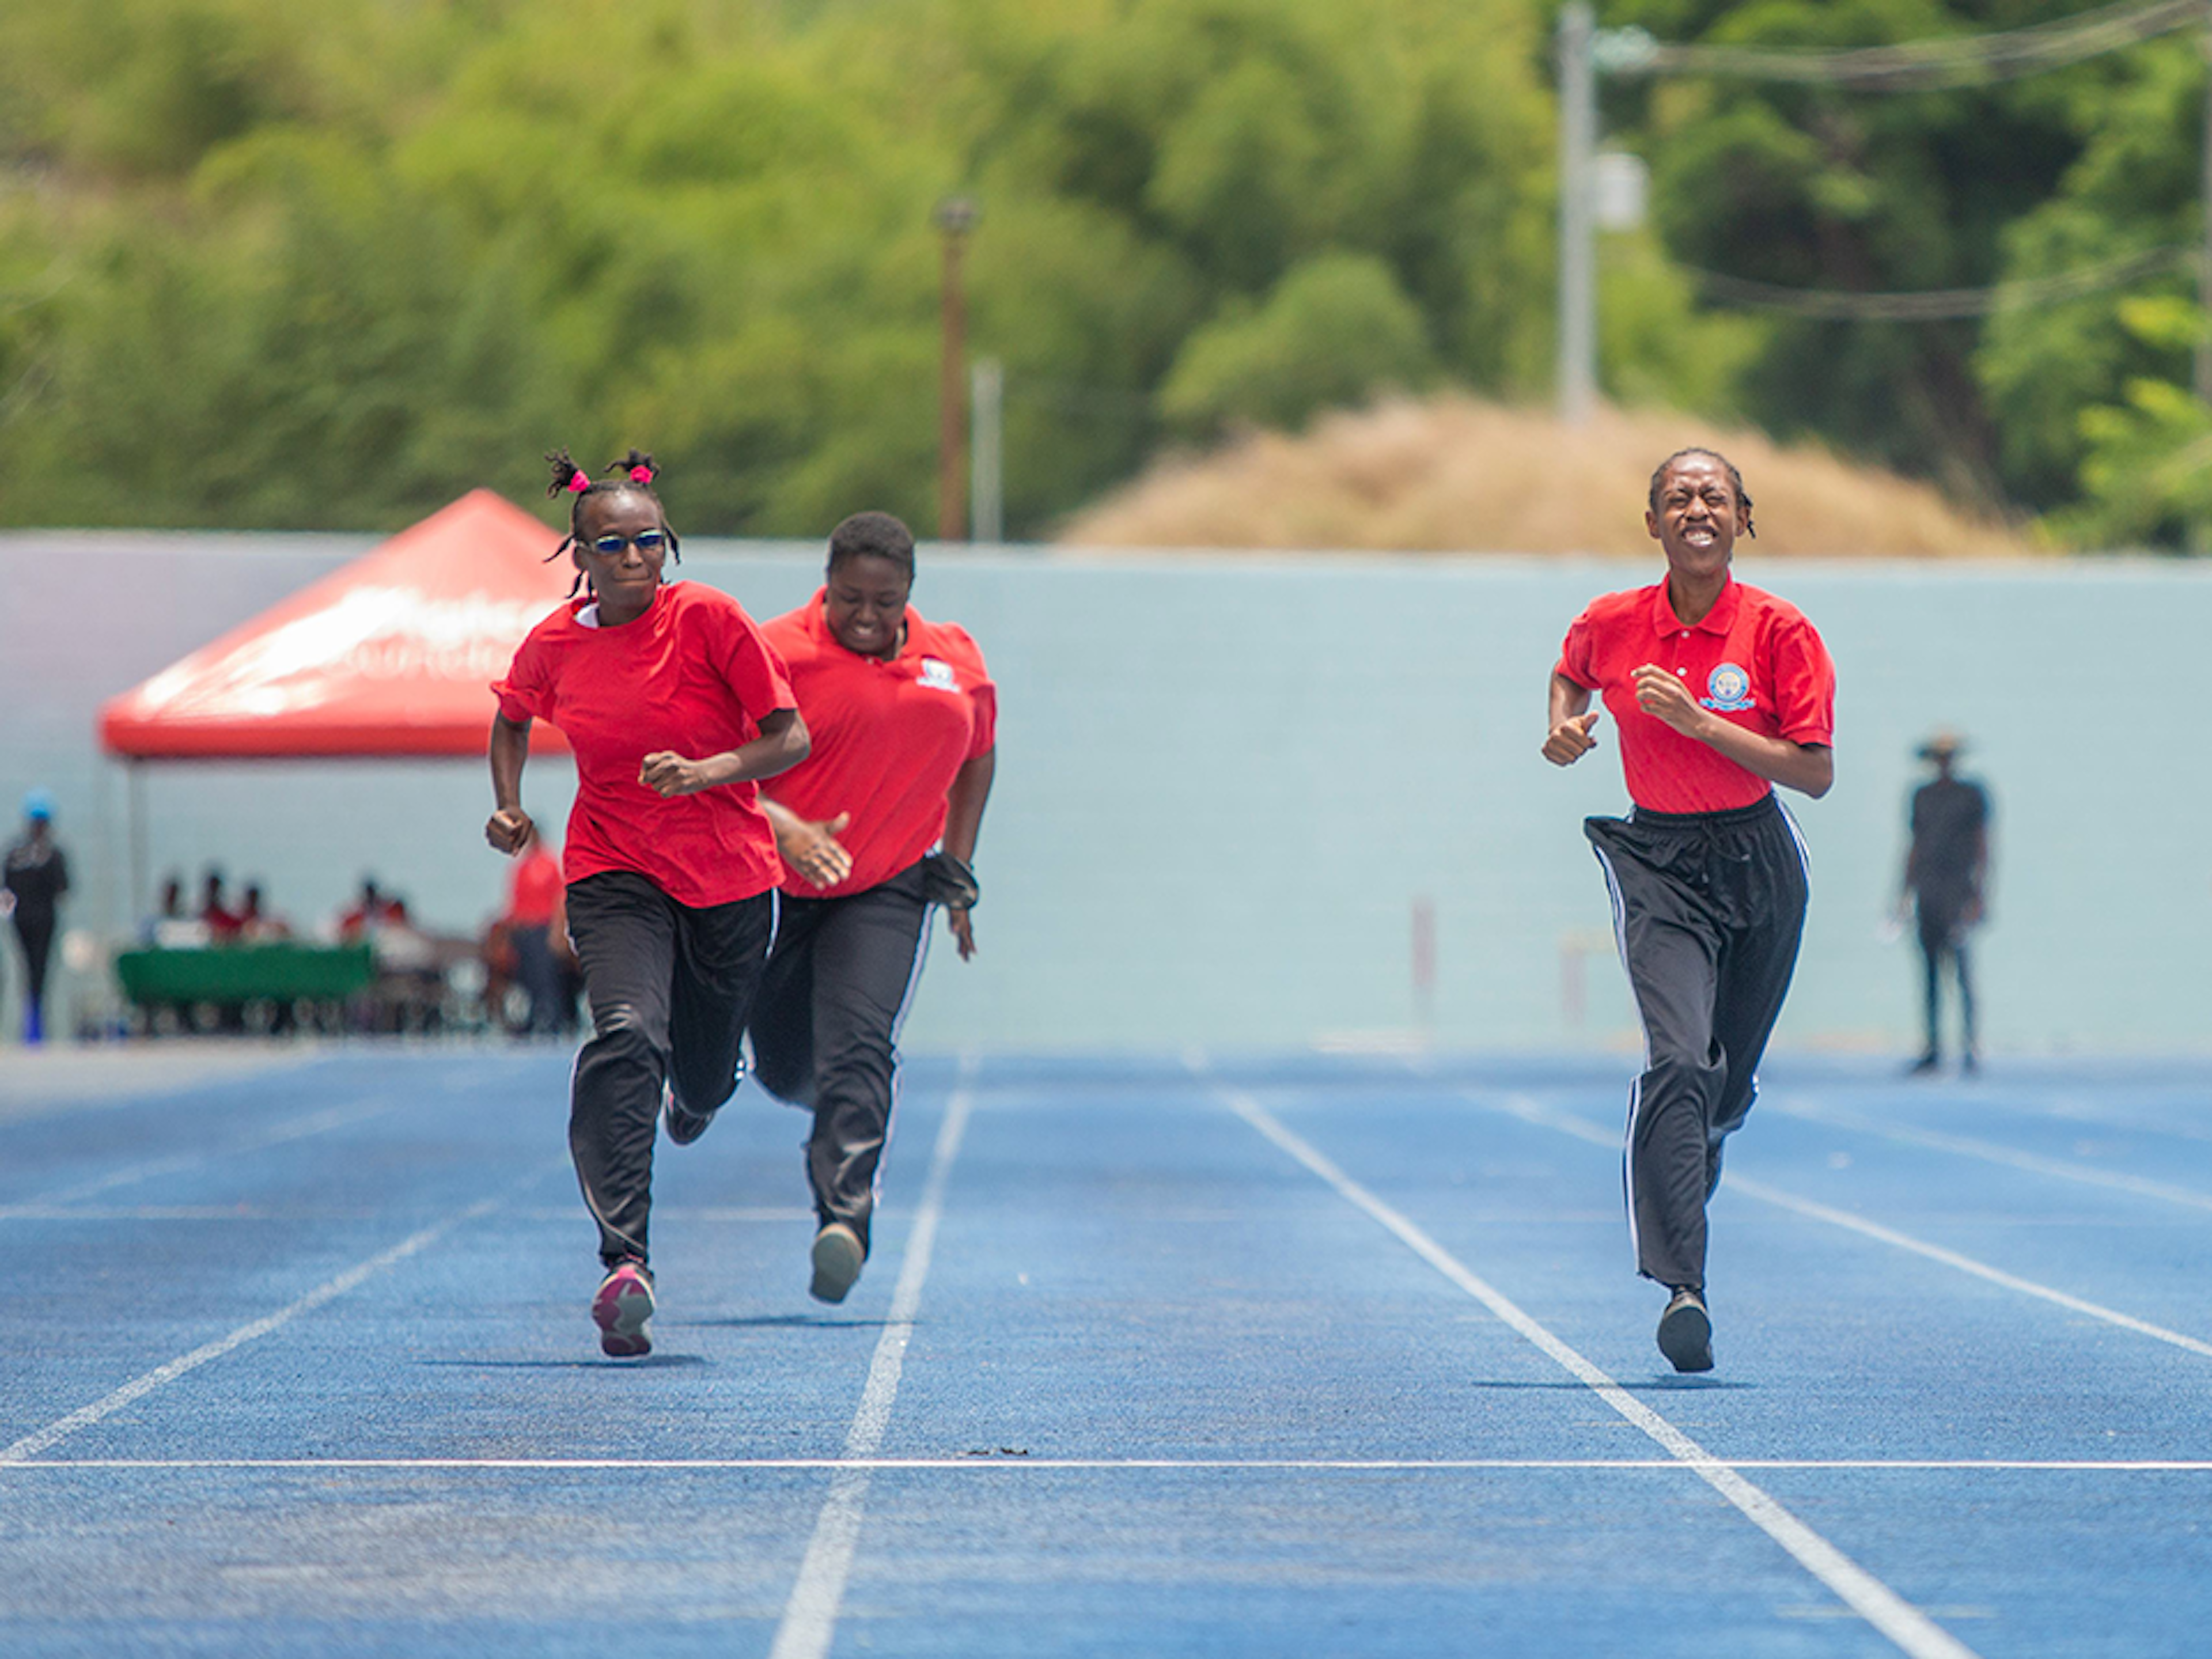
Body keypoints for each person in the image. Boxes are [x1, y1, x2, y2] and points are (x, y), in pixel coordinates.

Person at [487, 448, 808, 1358]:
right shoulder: (554, 644)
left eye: (649, 543)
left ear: (668, 547)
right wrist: (509, 805)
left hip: (731, 878)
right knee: (627, 1034)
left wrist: (710, 770)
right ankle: (624, 1263)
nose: (634, 559)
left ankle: (706, 1088)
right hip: (614, 868)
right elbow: (512, 716)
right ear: (578, 557)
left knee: (698, 1078)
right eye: (613, 545)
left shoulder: (709, 619)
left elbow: (789, 736)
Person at [1542, 449, 1835, 1374]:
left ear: (1743, 517)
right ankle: (1683, 1289)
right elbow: (1572, 673)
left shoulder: (1781, 631)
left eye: (1714, 496)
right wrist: (1563, 725)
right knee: (1677, 1059)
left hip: (1758, 865)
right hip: (1661, 863)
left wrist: (1702, 723)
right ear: (1655, 523)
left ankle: (1706, 1132)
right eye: (1678, 498)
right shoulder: (1614, 621)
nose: (1696, 508)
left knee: (1724, 1086)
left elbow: (1815, 775)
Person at [751, 511, 997, 1304]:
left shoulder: (953, 660)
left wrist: (956, 866)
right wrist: (783, 828)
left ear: (909, 596)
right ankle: (712, 1077)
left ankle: (845, 1219)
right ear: (825, 586)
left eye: (884, 602)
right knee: (788, 1067)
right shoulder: (774, 654)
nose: (865, 615)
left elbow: (979, 755)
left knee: (861, 1044)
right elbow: (713, 764)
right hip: (771, 883)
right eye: (849, 597)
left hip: (888, 883)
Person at [1898, 730, 1989, 1076]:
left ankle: (1970, 1045)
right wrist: (1904, 893)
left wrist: (1979, 893)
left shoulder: (1972, 795)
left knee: (1963, 971)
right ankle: (1932, 1047)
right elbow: (1914, 843)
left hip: (1958, 889)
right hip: (1929, 889)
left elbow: (1984, 844)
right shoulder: (1921, 796)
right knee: (1930, 973)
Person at [3, 790, 70, 1044]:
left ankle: (33, 1020)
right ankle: (35, 1021)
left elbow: (5, 892)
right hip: (43, 919)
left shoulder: (14, 853)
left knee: (28, 967)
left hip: (21, 919)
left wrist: (7, 916)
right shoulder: (53, 854)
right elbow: (64, 890)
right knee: (38, 967)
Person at [502, 822, 568, 1037]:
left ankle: (553, 1019)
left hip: (542, 927)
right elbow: (514, 901)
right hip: (524, 929)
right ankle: (530, 1018)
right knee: (528, 976)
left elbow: (559, 898)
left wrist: (557, 932)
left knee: (545, 976)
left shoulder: (548, 864)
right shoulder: (522, 866)